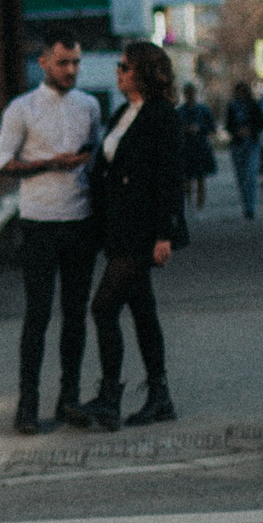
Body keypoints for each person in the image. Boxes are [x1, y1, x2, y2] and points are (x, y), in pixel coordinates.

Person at [0, 32, 102, 435]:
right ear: (43, 63)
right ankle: (28, 405)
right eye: (62, 63)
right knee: (37, 315)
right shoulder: (23, 109)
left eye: (75, 63)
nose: (70, 70)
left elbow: (96, 155)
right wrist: (49, 164)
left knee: (75, 314)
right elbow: (1, 164)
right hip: (38, 221)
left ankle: (68, 398)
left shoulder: (89, 105)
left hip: (80, 220)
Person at [86, 41, 185, 429]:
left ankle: (110, 396)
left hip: (143, 231)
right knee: (143, 312)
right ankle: (160, 397)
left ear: (143, 71)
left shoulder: (162, 116)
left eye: (124, 66)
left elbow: (170, 179)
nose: (118, 71)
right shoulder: (122, 113)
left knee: (103, 307)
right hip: (118, 228)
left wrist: (165, 235)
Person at [225, 75, 263, 221]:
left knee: (250, 175)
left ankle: (250, 207)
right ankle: (246, 205)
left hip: (252, 143)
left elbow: (261, 123)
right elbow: (228, 125)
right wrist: (237, 132)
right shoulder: (233, 106)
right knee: (242, 177)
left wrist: (250, 130)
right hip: (238, 145)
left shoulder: (253, 105)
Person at [176, 81, 218, 210]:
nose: (190, 95)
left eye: (191, 93)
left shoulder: (203, 110)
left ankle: (199, 206)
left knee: (200, 179)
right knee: (186, 180)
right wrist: (185, 130)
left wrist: (199, 129)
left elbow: (212, 128)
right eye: (187, 93)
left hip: (200, 147)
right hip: (186, 148)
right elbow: (175, 129)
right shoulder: (180, 111)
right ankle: (189, 205)